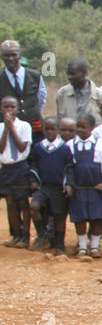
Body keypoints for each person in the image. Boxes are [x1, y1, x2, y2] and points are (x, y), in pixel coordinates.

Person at [65, 114, 102, 258]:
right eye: (78, 127)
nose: (80, 130)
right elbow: (69, 167)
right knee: (80, 218)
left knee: (96, 217)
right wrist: (71, 184)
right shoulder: (71, 145)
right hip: (78, 188)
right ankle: (81, 247)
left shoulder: (99, 144)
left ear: (92, 128)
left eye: (83, 127)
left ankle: (94, 247)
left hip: (96, 188)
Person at [29, 115, 72, 253]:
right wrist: (34, 180)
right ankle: (42, 236)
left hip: (58, 188)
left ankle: (59, 244)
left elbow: (70, 167)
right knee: (34, 206)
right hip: (43, 187)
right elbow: (34, 164)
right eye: (47, 129)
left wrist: (68, 184)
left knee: (59, 216)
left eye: (53, 129)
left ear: (58, 130)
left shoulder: (64, 148)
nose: (50, 132)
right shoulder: (38, 147)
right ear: (42, 130)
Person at [0, 95, 33, 247]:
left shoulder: (25, 126)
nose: (9, 110)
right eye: (5, 107)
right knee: (10, 203)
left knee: (23, 202)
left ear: (17, 109)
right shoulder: (0, 127)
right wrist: (6, 129)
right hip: (7, 168)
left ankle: (26, 236)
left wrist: (12, 127)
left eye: (12, 107)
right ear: (1, 109)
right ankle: (16, 235)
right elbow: (1, 149)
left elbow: (21, 147)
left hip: (21, 167)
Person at [0, 40, 48, 138]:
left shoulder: (35, 76)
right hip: (8, 130)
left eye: (14, 55)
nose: (10, 58)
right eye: (6, 55)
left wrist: (31, 112)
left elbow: (41, 100)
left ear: (20, 55)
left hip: (34, 128)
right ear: (1, 57)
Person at [55, 59, 102, 123]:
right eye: (68, 74)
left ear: (84, 73)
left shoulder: (98, 95)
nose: (69, 77)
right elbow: (60, 120)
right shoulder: (62, 93)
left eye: (73, 74)